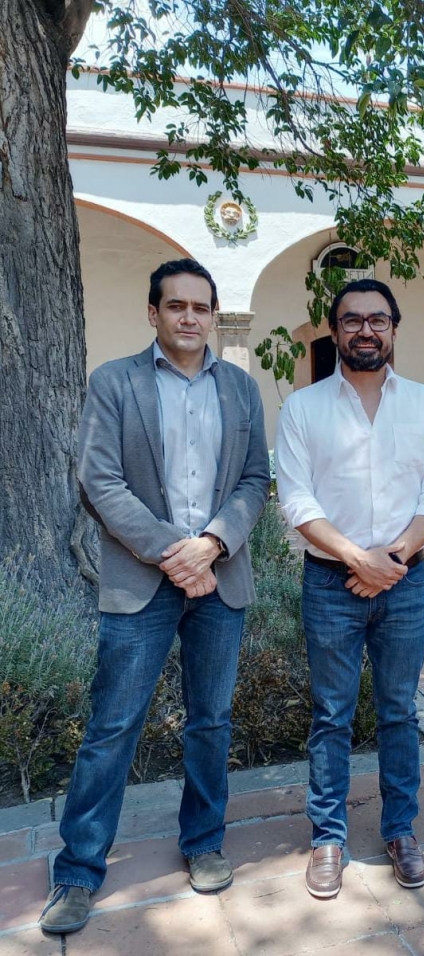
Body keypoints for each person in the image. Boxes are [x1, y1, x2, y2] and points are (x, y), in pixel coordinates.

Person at [39, 259, 270, 935]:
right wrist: (178, 553)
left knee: (211, 721)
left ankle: (203, 842)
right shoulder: (115, 382)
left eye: (201, 307)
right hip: (143, 582)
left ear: (213, 315)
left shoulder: (240, 387)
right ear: (154, 313)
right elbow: (100, 481)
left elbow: (255, 479)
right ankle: (79, 870)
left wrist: (213, 545)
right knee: (113, 727)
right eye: (176, 306)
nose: (190, 317)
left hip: (219, 578)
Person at [275, 278, 424, 900]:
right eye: (352, 320)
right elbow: (296, 500)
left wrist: (392, 559)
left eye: (378, 319)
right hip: (331, 580)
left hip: (404, 578)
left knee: (400, 709)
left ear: (394, 329)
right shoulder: (303, 408)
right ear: (335, 331)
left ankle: (400, 829)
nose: (366, 330)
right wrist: (358, 558)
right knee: (332, 713)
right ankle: (328, 837)